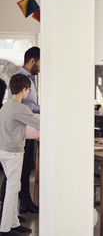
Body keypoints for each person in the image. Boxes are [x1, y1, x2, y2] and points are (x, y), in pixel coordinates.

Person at [1, 47, 40, 214]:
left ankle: (24, 203)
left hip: (27, 129)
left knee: (26, 168)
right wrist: (41, 109)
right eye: (40, 62)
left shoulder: (28, 78)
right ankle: (6, 206)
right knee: (16, 174)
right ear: (32, 60)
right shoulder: (21, 79)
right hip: (22, 130)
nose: (41, 66)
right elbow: (22, 106)